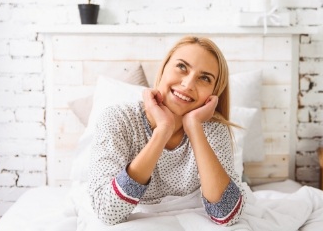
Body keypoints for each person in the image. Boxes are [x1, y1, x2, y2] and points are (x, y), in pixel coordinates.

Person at [88, 36, 246, 226]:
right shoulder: (118, 120)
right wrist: (163, 131)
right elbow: (107, 211)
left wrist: (194, 127)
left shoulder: (212, 130)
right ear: (163, 69)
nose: (188, 84)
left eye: (204, 78)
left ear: (213, 93)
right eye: (182, 67)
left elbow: (226, 214)